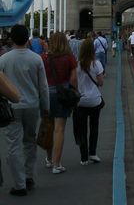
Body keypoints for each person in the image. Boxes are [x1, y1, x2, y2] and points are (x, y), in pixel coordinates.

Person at [0, 24, 48, 196]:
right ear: (28, 38)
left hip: (11, 108)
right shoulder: (36, 59)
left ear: (11, 38)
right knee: (29, 141)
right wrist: (46, 108)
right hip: (32, 105)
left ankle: (19, 184)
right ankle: (29, 176)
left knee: (13, 145)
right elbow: (43, 87)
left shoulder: (3, 60)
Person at [42, 32, 77, 174]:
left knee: (48, 126)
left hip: (45, 95)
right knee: (59, 129)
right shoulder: (69, 58)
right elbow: (74, 80)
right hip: (62, 95)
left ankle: (49, 158)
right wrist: (75, 93)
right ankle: (57, 164)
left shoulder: (43, 58)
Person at [73, 38, 104, 166]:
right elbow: (101, 82)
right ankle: (93, 153)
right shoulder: (96, 64)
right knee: (94, 127)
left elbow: (73, 83)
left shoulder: (76, 64)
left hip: (80, 101)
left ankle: (84, 157)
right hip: (95, 101)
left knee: (82, 129)